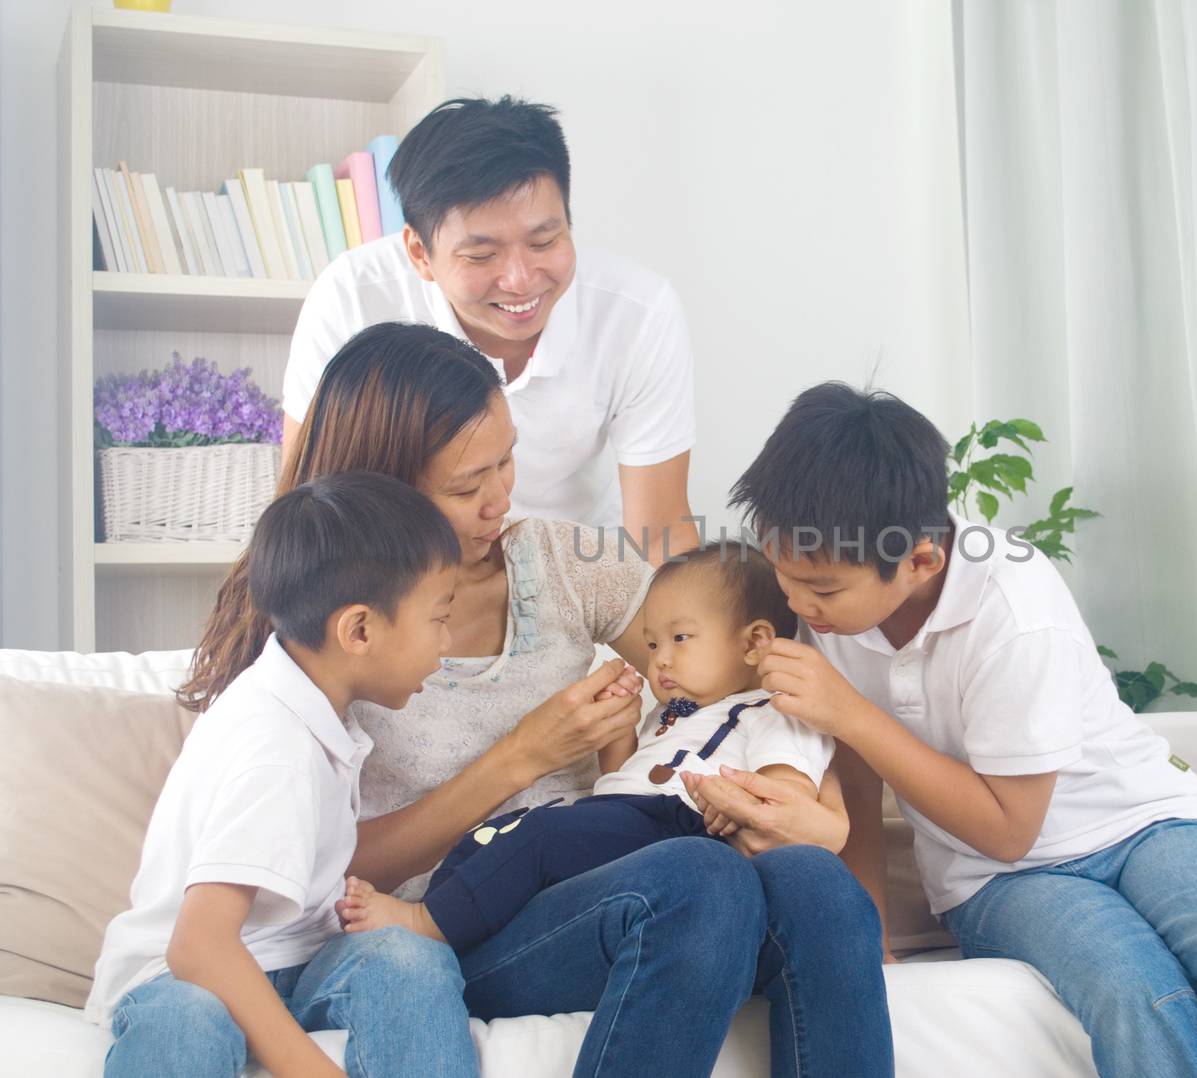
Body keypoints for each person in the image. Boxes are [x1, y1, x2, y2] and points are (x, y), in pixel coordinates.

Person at [183, 324, 892, 1078]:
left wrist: (809, 806)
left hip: (621, 880)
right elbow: (313, 874)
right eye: (467, 486)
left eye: (507, 460)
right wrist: (522, 756)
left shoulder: (559, 560)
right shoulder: (334, 637)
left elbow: (742, 658)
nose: (502, 500)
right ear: (381, 496)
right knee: (700, 880)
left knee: (815, 883)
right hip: (454, 925)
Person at [719, 381, 1197, 1078]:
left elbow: (1010, 824)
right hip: (995, 880)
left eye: (821, 590)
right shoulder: (825, 619)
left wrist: (851, 711)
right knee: (1135, 992)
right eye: (785, 576)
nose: (797, 603)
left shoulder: (1015, 608)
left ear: (921, 561)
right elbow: (861, 791)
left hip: (1141, 821)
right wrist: (869, 937)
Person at [88, 472, 477, 1078]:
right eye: (439, 618)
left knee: (408, 959)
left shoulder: (315, 711)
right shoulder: (275, 745)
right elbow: (199, 946)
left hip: (298, 962)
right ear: (360, 630)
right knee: (187, 1020)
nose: (446, 644)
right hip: (180, 976)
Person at [339, 541, 835, 953]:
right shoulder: (672, 714)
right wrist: (619, 737)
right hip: (633, 822)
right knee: (489, 838)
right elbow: (617, 789)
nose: (660, 661)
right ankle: (461, 928)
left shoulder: (774, 709)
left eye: (679, 638)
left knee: (542, 834)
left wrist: (747, 811)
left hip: (685, 830)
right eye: (653, 644)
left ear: (754, 643)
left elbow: (783, 802)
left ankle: (428, 923)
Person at [284, 96, 697, 559]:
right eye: (481, 256)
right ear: (420, 253)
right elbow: (307, 506)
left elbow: (661, 538)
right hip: (401, 573)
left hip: (572, 573)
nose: (520, 280)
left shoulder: (637, 312)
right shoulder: (353, 296)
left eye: (545, 241)